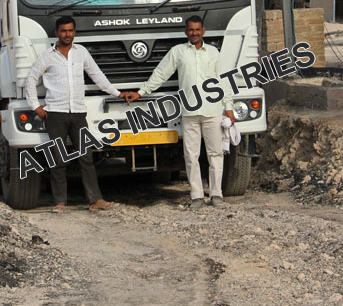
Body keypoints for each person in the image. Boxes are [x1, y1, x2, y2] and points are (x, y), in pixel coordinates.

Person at [127, 16, 234, 210]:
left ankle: (216, 194)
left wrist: (229, 107)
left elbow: (223, 80)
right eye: (191, 30)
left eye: (197, 29)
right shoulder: (178, 52)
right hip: (189, 111)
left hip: (213, 111)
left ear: (203, 31)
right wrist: (141, 92)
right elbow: (160, 74)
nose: (194, 33)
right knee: (191, 155)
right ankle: (197, 196)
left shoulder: (213, 52)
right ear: (186, 32)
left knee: (215, 154)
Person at [24, 16, 122, 212]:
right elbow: (30, 79)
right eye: (63, 31)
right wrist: (36, 106)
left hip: (78, 114)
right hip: (55, 115)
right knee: (58, 160)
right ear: (56, 33)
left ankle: (95, 200)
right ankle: (60, 203)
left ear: (74, 32)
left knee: (86, 158)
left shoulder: (81, 53)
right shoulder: (47, 56)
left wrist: (118, 93)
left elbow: (97, 76)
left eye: (70, 31)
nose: (67, 34)